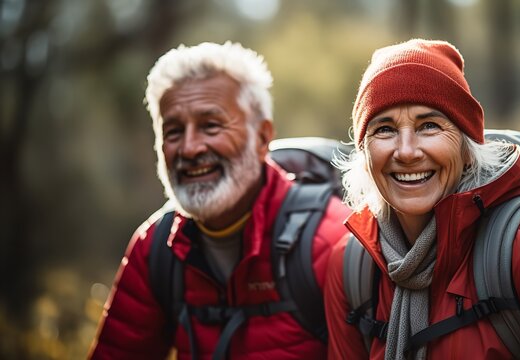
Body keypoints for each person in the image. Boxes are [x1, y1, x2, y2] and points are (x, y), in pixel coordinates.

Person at [324, 39, 520, 359]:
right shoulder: (352, 266)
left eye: (429, 125)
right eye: (384, 129)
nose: (406, 151)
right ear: (365, 153)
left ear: (467, 150)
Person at [89, 41, 351, 359]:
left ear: (262, 137)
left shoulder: (331, 241)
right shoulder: (155, 248)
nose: (189, 148)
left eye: (210, 126)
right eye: (173, 132)